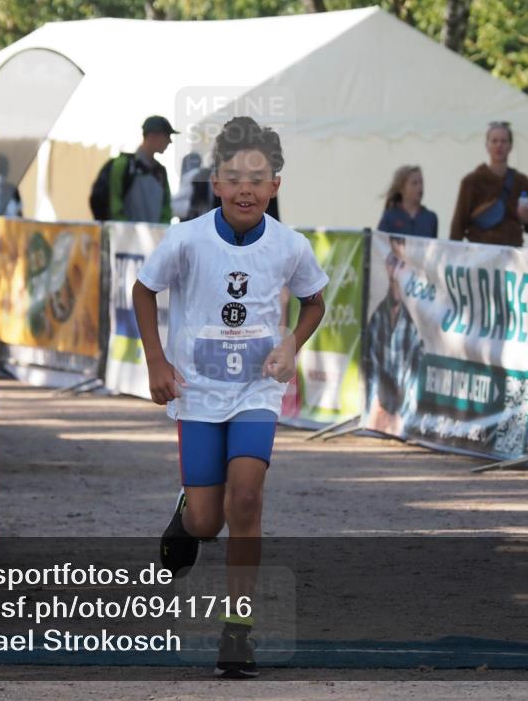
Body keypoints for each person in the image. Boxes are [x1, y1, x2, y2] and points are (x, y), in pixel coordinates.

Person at [132, 117, 327, 678]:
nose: (246, 188)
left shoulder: (291, 246)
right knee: (204, 521)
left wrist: (291, 342)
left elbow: (314, 303)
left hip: (256, 390)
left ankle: (237, 629)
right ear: (215, 184)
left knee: (247, 500)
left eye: (258, 178)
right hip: (196, 392)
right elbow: (144, 291)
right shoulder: (187, 239)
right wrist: (157, 361)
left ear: (275, 186)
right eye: (234, 177)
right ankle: (186, 513)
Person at [364, 237, 424, 436]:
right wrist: (373, 408)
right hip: (379, 413)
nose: (395, 269)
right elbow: (370, 369)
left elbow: (415, 378)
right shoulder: (378, 317)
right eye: (392, 260)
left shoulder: (413, 324)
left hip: (400, 417)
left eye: (401, 262)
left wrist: (403, 416)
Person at [449, 121, 528, 247]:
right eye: (494, 141)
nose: (499, 145)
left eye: (503, 141)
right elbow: (458, 224)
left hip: (512, 253)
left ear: (510, 146)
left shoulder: (522, 182)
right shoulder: (471, 181)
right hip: (480, 253)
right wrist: (453, 253)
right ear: (487, 145)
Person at [90, 115, 177, 222]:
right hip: (124, 236)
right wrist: (127, 231)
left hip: (156, 237)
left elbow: (166, 208)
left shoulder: (160, 171)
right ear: (152, 135)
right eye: (167, 135)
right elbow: (114, 205)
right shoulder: (122, 165)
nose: (170, 141)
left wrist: (162, 231)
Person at [376, 165, 438, 238]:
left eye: (421, 182)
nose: (420, 187)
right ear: (401, 189)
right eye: (414, 183)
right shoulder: (390, 216)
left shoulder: (430, 218)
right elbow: (379, 243)